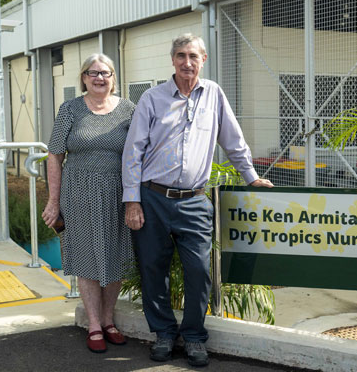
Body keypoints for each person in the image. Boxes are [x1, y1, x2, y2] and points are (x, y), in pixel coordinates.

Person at [122, 33, 273, 366]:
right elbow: (133, 152)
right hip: (152, 198)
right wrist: (132, 201)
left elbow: (233, 141)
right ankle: (163, 334)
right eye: (180, 55)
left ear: (203, 59)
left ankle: (193, 337)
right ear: (172, 60)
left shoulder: (214, 94)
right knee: (152, 269)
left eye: (193, 55)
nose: (186, 62)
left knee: (199, 271)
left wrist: (251, 177)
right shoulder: (152, 98)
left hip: (194, 201)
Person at [42, 53, 135, 353]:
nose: (99, 78)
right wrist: (53, 201)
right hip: (78, 193)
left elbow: (138, 153)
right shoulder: (69, 109)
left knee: (116, 256)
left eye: (105, 73)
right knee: (86, 258)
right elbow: (54, 155)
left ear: (113, 78)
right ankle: (94, 323)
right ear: (83, 77)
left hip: (117, 194)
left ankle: (109, 321)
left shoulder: (128, 109)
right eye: (92, 73)